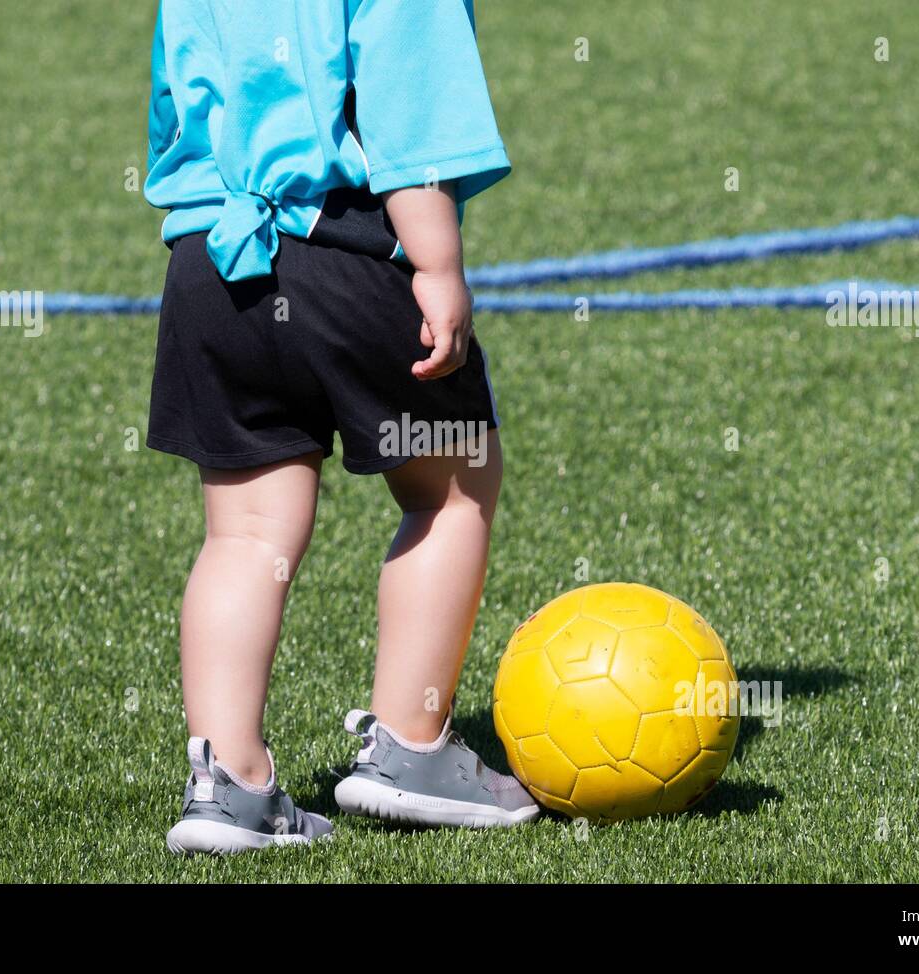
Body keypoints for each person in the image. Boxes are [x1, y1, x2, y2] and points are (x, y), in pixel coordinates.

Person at [144, 0, 538, 855]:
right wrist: (436, 265)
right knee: (453, 483)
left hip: (211, 263)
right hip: (347, 254)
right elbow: (411, 112)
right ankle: (410, 747)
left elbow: (174, 108)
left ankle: (229, 788)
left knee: (245, 535)